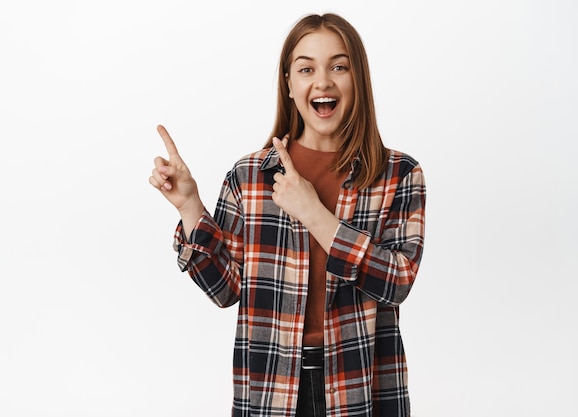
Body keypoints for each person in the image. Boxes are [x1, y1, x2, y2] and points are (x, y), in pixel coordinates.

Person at [149, 13, 426, 417]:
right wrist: (191, 207)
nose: (323, 81)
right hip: (271, 391)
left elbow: (398, 281)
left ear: (357, 79)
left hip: (359, 390)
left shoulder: (399, 174)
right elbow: (225, 290)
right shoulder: (250, 176)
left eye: (339, 66)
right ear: (290, 84)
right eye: (306, 68)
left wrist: (314, 213)